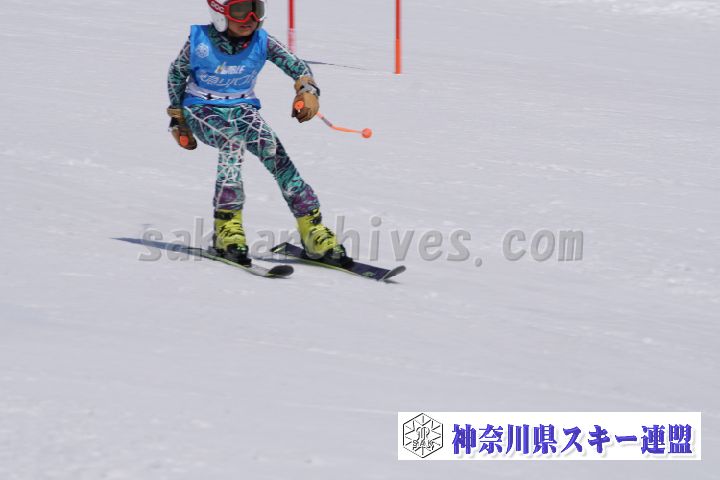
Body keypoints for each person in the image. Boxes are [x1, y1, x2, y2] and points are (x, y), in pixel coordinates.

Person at [166, 0, 347, 266]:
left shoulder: (262, 41)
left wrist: (307, 90)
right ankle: (226, 227)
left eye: (256, 10)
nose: (250, 18)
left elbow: (298, 66)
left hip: (242, 107)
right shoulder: (199, 40)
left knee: (272, 149)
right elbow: (176, 73)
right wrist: (178, 118)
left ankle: (312, 228)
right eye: (240, 10)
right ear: (219, 13)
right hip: (201, 107)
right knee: (231, 142)